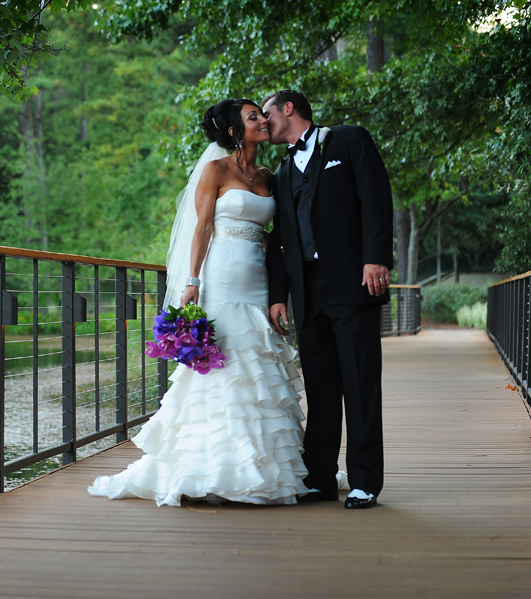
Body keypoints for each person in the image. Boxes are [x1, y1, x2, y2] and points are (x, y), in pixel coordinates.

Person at [88, 98, 345, 506]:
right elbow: (203, 226)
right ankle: (212, 468)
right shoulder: (215, 171)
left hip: (257, 281)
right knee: (222, 369)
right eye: (253, 117)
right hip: (221, 278)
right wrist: (192, 281)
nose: (263, 120)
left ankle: (262, 468)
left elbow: (279, 234)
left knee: (257, 368)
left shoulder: (269, 175)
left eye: (263, 114)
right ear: (233, 131)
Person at [261, 90, 393, 509]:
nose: (263, 122)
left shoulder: (349, 140)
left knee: (359, 382)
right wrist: (279, 295)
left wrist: (376, 259)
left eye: (266, 113)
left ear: (288, 109)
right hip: (306, 290)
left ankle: (365, 482)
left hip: (353, 281)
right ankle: (319, 477)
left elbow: (376, 199)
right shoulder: (281, 172)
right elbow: (281, 241)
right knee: (319, 386)